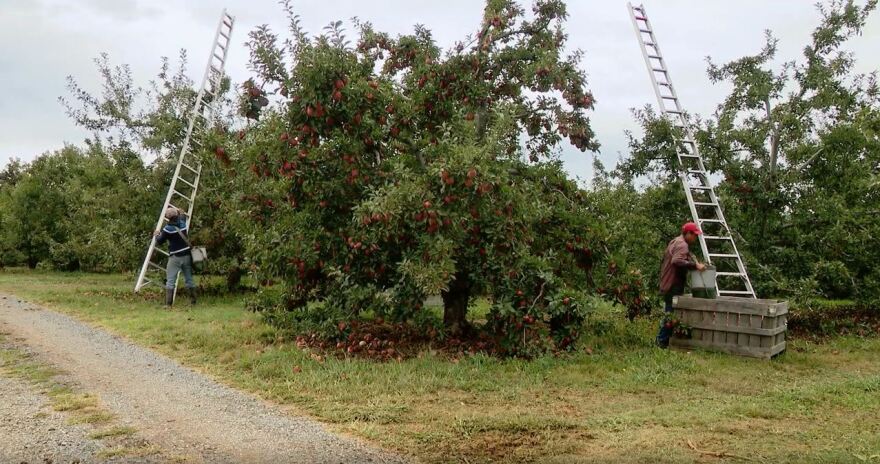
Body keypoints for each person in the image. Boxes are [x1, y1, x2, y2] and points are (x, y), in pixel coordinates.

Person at [656, 222, 706, 348]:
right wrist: (695, 266)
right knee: (670, 313)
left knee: (669, 312)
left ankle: (663, 340)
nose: (695, 238)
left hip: (667, 282)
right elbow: (677, 261)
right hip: (673, 284)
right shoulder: (683, 245)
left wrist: (691, 261)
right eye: (694, 235)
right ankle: (661, 341)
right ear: (688, 233)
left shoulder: (676, 241)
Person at [154, 207, 197, 307]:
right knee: (189, 279)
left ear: (167, 217)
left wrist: (156, 234)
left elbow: (160, 241)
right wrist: (180, 211)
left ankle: (168, 304)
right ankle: (193, 301)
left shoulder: (167, 229)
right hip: (186, 255)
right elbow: (181, 215)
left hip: (175, 257)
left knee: (170, 280)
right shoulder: (183, 223)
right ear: (177, 215)